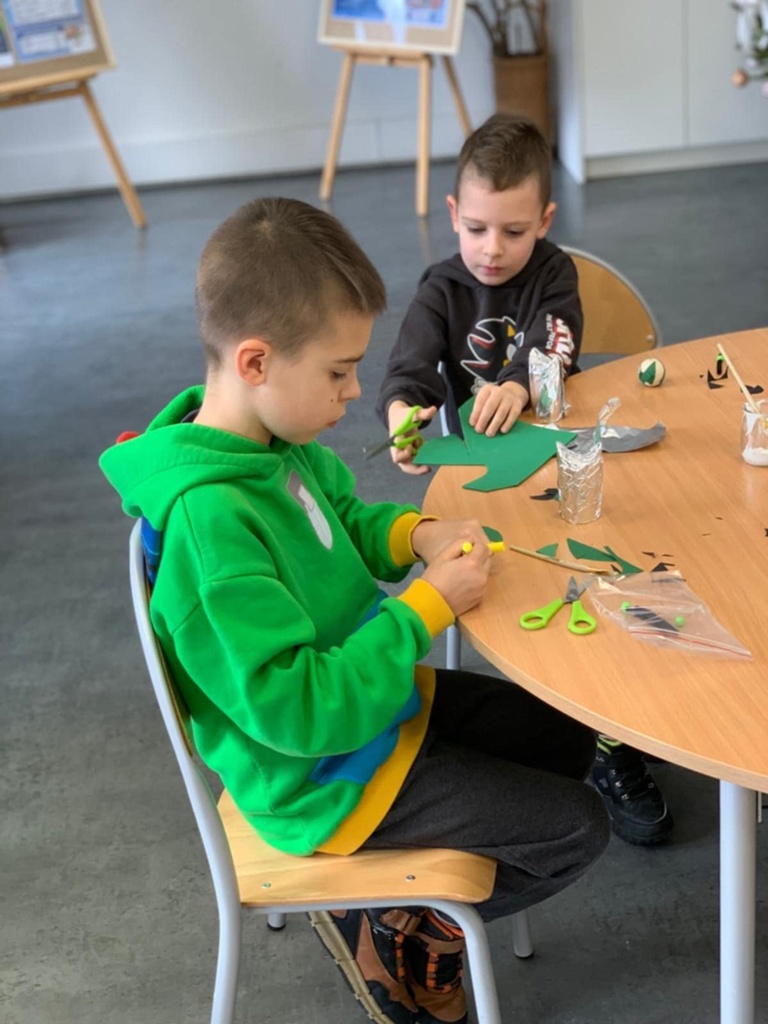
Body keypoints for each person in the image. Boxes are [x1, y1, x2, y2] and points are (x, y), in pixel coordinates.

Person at [100, 197, 608, 1024]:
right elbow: (299, 712)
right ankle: (401, 929)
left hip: (374, 707)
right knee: (577, 828)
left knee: (567, 735)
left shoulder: (269, 444)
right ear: (257, 361)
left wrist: (417, 534)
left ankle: (398, 908)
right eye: (338, 372)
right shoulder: (211, 526)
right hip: (321, 777)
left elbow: (342, 520)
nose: (356, 391)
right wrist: (422, 611)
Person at [376, 113, 674, 848]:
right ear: (454, 213)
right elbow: (408, 370)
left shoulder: (553, 272)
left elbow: (556, 340)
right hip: (490, 490)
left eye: (513, 231)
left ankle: (621, 724)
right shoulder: (441, 288)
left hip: (569, 464)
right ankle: (598, 737)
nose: (492, 249)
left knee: (618, 566)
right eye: (476, 228)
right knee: (542, 592)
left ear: (544, 220)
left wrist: (516, 382)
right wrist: (403, 414)